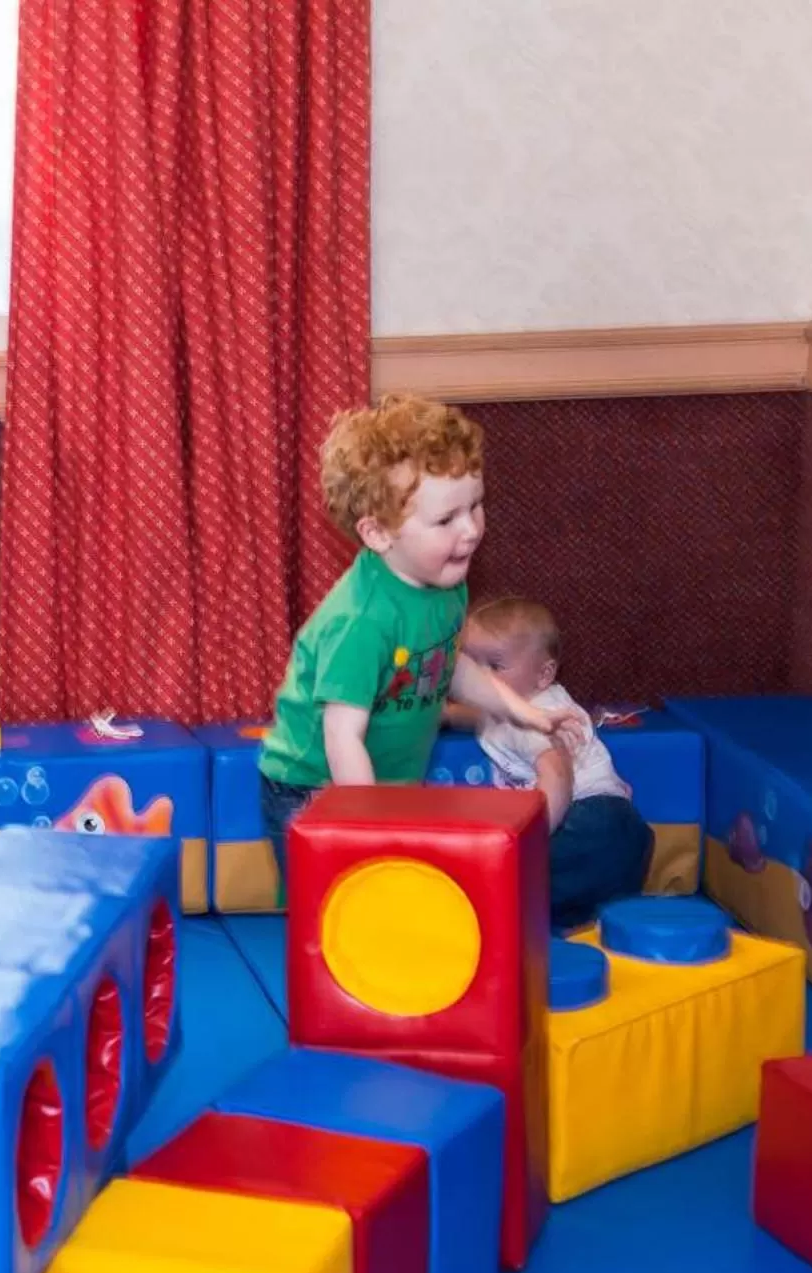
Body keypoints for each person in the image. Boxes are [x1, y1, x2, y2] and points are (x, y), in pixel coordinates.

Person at [256, 394, 585, 883]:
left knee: (392, 898)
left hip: (385, 781)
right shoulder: (361, 621)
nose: (471, 530)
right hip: (314, 786)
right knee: (343, 904)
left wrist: (524, 712)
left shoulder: (444, 585)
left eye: (475, 506)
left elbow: (449, 664)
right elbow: (342, 735)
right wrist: (365, 826)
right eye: (446, 520)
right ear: (379, 534)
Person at [458, 596, 654, 928]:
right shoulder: (511, 705)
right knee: (559, 904)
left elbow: (557, 774)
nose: (480, 678)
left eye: (494, 665)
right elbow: (476, 716)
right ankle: (586, 922)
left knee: (505, 879)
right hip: (622, 833)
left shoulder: (535, 718)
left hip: (586, 820)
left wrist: (528, 838)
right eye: (470, 664)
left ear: (544, 675)